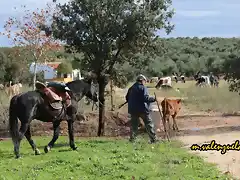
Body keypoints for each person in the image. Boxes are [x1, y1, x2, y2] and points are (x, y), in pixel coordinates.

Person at [126, 74, 159, 144]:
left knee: (134, 125)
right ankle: (153, 139)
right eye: (145, 81)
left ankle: (132, 139)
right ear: (142, 81)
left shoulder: (131, 88)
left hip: (133, 110)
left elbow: (127, 98)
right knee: (149, 124)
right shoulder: (143, 88)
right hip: (142, 109)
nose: (145, 82)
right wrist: (154, 99)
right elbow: (145, 98)